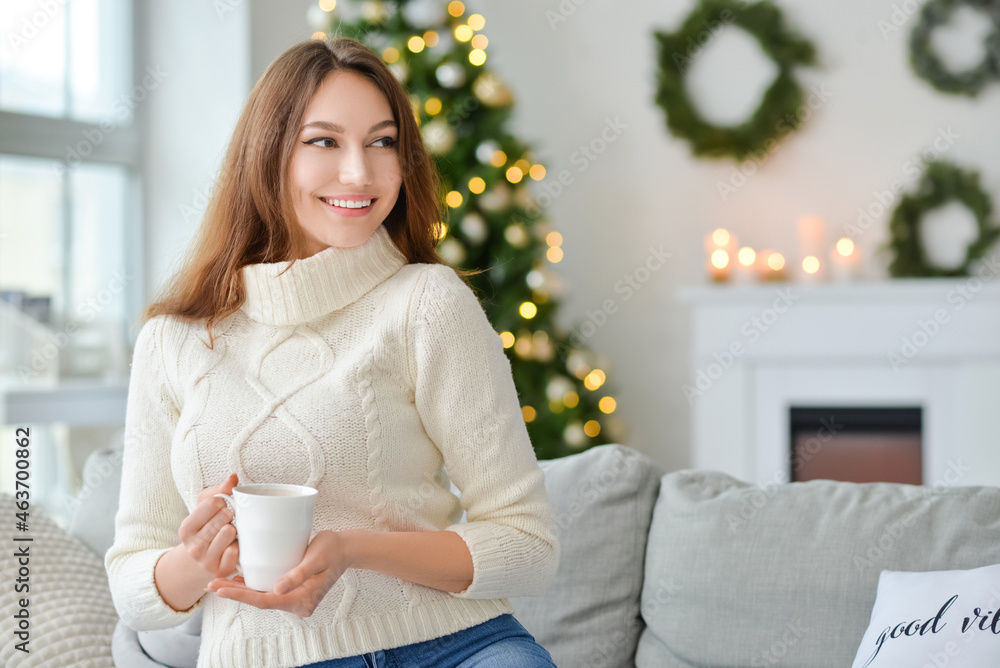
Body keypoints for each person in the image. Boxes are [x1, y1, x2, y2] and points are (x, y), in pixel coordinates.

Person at [104, 37, 560, 668]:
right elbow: (133, 581)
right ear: (267, 156)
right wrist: (194, 564)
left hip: (454, 646)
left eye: (382, 142)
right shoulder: (174, 339)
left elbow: (527, 542)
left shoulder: (426, 303)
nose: (360, 173)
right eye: (324, 141)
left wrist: (352, 548)